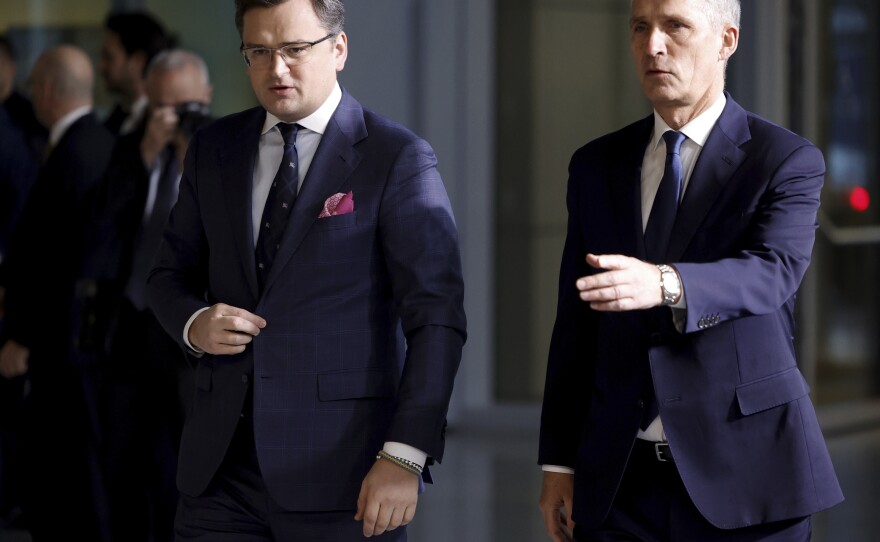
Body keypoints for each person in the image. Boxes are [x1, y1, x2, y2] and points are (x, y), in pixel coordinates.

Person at [145, 0, 467, 540]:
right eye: (259, 51)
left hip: (345, 473)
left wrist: (405, 455)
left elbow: (437, 319)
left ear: (338, 49)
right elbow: (166, 275)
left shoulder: (396, 157)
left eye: (295, 49)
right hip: (218, 473)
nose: (276, 68)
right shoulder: (213, 149)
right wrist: (195, 324)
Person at [537, 1, 843, 541]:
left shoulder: (783, 159)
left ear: (727, 41)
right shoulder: (595, 165)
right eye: (641, 27)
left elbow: (772, 271)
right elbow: (575, 324)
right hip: (619, 483)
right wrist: (559, 462)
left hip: (748, 479)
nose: (652, 45)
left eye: (675, 26)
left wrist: (664, 283)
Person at [80, 48, 214, 542]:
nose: (173, 116)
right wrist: (145, 153)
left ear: (207, 97)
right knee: (123, 460)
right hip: (130, 325)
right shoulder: (131, 148)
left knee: (184, 462)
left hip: (189, 333)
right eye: (161, 106)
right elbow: (98, 227)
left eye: (184, 106)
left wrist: (191, 163)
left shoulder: (225, 152)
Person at [0, 44, 115, 541]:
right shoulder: (101, 144)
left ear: (45, 91)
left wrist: (22, 337)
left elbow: (59, 263)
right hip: (77, 347)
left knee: (65, 482)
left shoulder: (72, 154)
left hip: (60, 350)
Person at [99, 10, 173, 136]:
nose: (101, 67)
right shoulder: (113, 120)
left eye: (109, 57)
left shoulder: (165, 125)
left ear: (138, 61)